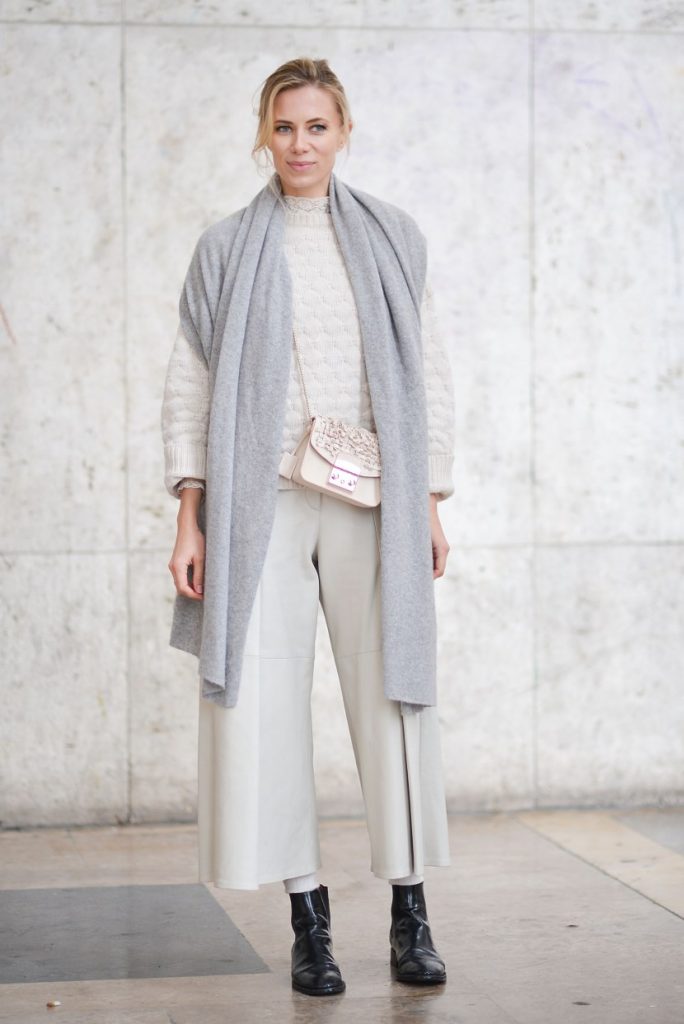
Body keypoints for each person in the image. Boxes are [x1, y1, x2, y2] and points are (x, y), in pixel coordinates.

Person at [161, 56, 455, 997]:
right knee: (268, 707)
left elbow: (431, 374)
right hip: (264, 506)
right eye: (284, 127)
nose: (300, 144)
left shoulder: (394, 238)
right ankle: (308, 922)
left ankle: (411, 915)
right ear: (264, 131)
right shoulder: (224, 248)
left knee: (394, 697)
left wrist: (432, 501)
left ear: (344, 131)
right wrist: (190, 516)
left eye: (317, 127)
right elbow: (189, 388)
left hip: (376, 498)